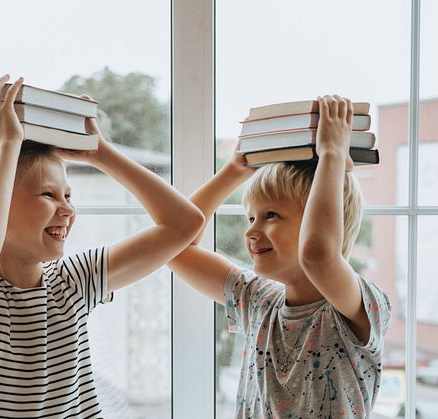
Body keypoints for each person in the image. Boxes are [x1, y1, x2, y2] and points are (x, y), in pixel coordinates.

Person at [0, 72, 204, 418]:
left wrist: (100, 153)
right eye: (49, 194)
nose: (68, 209)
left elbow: (185, 225)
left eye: (68, 196)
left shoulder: (73, 281)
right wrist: (8, 144)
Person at [168, 95, 392, 417]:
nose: (251, 231)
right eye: (250, 218)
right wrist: (232, 172)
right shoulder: (257, 299)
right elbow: (173, 246)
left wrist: (332, 155)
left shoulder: (358, 305)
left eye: (271, 215)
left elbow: (318, 256)